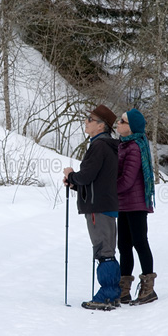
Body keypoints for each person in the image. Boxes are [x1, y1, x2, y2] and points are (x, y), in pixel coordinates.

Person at [63, 105, 121, 310]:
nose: (86, 122)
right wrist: (76, 183)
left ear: (101, 125)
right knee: (106, 249)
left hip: (99, 207)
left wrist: (71, 175)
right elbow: (96, 180)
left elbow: (87, 175)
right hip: (104, 203)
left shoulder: (100, 146)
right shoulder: (106, 145)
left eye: (90, 119)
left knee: (104, 251)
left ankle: (108, 294)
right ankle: (111, 293)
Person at [115, 108, 158, 306]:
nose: (118, 123)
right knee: (123, 245)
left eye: (122, 121)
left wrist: (108, 190)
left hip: (136, 203)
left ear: (131, 127)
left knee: (140, 242)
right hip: (124, 203)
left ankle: (148, 287)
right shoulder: (124, 145)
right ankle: (124, 290)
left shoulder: (134, 148)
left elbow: (127, 180)